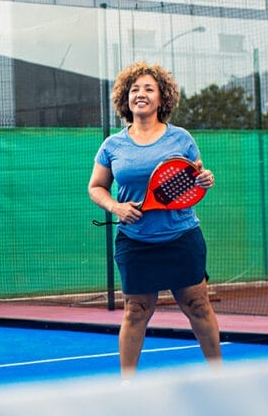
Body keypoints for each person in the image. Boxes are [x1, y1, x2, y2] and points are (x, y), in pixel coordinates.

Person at [87, 61, 220, 375]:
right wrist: (116, 207)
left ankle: (218, 375)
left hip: (181, 237)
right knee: (135, 310)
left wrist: (205, 179)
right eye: (134, 89)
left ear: (162, 99)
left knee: (198, 305)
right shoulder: (112, 145)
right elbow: (96, 187)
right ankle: (127, 385)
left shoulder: (181, 139)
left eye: (149, 89)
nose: (141, 94)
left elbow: (193, 176)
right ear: (126, 98)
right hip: (135, 240)